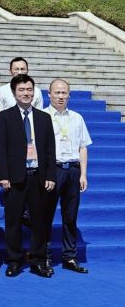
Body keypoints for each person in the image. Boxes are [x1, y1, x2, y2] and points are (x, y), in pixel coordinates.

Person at [0, 73, 56, 278]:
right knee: (13, 221)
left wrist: (50, 175)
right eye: (21, 90)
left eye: (29, 89)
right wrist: (3, 175)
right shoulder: (5, 117)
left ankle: (38, 261)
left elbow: (50, 149)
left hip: (38, 176)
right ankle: (14, 260)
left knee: (40, 221)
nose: (26, 93)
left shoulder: (44, 117)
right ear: (14, 93)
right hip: (14, 178)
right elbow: (1, 148)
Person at [43, 79, 91, 274]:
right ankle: (44, 256)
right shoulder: (42, 116)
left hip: (72, 170)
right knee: (45, 215)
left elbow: (83, 147)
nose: (61, 96)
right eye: (57, 92)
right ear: (49, 94)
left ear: (69, 95)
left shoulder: (77, 118)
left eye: (64, 93)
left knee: (70, 217)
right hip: (52, 170)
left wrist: (83, 174)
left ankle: (69, 257)